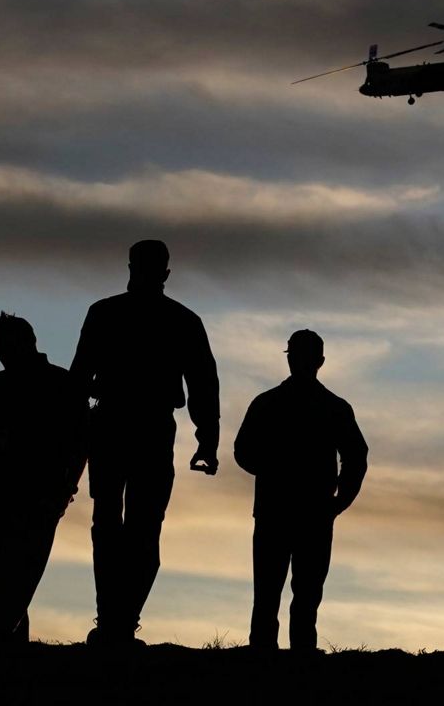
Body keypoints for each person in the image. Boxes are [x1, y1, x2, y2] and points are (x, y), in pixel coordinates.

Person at [70, 240, 220, 648]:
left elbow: (78, 380)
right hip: (135, 425)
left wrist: (208, 438)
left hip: (127, 424)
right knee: (131, 526)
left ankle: (116, 620)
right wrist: (207, 438)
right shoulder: (179, 320)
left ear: (131, 266)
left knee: (125, 525)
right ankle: (117, 620)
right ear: (165, 273)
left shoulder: (107, 313)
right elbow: (203, 384)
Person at [0, 312, 88, 644]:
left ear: (28, 344)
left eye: (5, 349)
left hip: (40, 498)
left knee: (20, 576)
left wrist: (66, 488)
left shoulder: (62, 385)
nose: (3, 357)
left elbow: (81, 442)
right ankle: (9, 646)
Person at [234, 329, 368, 652]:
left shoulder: (270, 404)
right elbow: (356, 458)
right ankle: (291, 660)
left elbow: (356, 457)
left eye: (301, 356)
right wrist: (338, 502)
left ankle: (279, 659)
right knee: (288, 595)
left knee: (288, 595)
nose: (301, 362)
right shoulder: (331, 407)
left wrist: (338, 503)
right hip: (294, 513)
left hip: (290, 512)